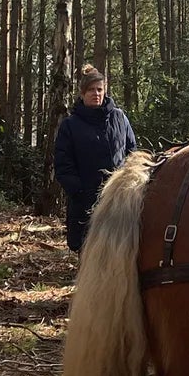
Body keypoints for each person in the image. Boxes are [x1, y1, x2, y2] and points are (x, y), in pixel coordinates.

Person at [53, 64, 138, 254]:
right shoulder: (70, 125)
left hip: (118, 197)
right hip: (85, 199)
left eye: (99, 89)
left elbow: (132, 152)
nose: (96, 94)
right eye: (91, 90)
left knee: (119, 248)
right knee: (87, 249)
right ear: (82, 93)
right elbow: (63, 163)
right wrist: (79, 190)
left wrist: (128, 184)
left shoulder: (119, 118)